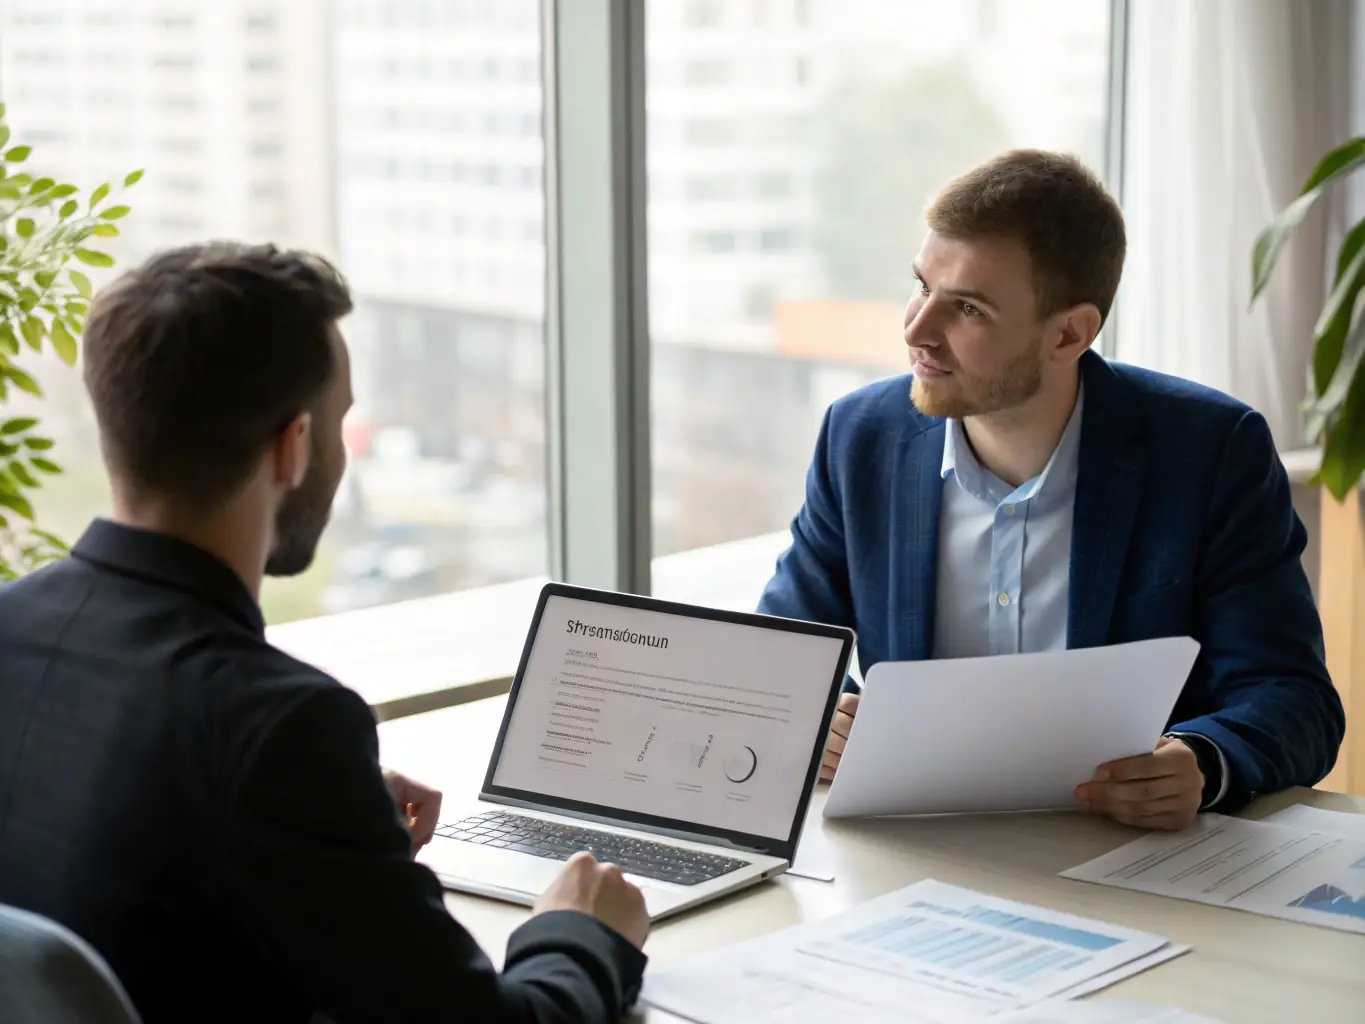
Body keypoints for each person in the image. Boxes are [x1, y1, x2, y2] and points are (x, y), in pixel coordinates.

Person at [0, 242, 649, 1024]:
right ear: (294, 445)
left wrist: (331, 829)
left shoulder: (16, 626)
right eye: (340, 421)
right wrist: (579, 931)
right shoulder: (276, 727)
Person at [758, 150, 1344, 831]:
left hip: (1126, 858)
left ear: (1069, 332)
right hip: (909, 854)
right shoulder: (858, 438)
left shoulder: (1210, 451)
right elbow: (776, 655)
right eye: (920, 287)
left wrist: (1203, 761)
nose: (916, 330)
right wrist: (818, 711)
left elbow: (1292, 698)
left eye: (967, 308)